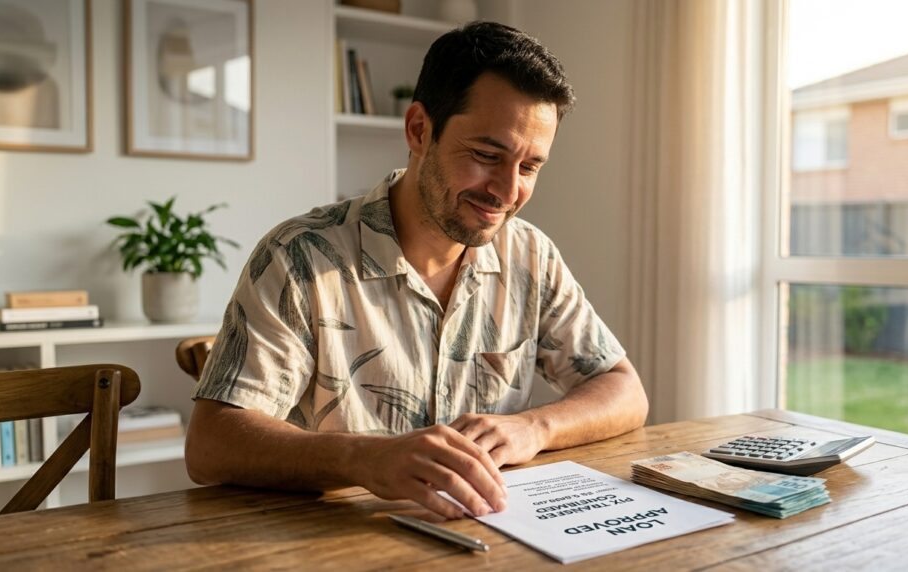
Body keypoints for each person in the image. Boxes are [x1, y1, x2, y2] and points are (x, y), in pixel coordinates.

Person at [185, 21, 648, 520]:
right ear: (419, 130)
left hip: (489, 539)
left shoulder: (530, 256)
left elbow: (624, 390)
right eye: (487, 155)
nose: (507, 191)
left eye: (530, 167)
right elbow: (211, 444)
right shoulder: (301, 256)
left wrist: (534, 428)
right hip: (331, 542)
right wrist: (364, 457)